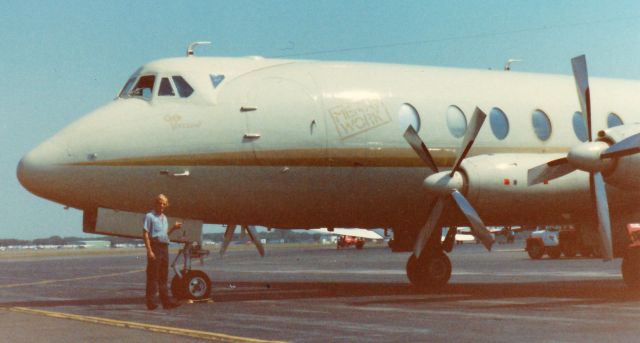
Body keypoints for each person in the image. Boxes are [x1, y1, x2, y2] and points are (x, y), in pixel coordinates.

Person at [143, 194, 183, 310]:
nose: (161, 205)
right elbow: (145, 234)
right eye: (159, 203)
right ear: (155, 203)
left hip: (164, 247)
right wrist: (149, 251)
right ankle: (150, 302)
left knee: (163, 276)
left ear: (166, 205)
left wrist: (173, 228)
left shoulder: (164, 217)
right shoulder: (149, 216)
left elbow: (164, 234)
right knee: (153, 276)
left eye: (163, 204)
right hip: (155, 246)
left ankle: (166, 302)